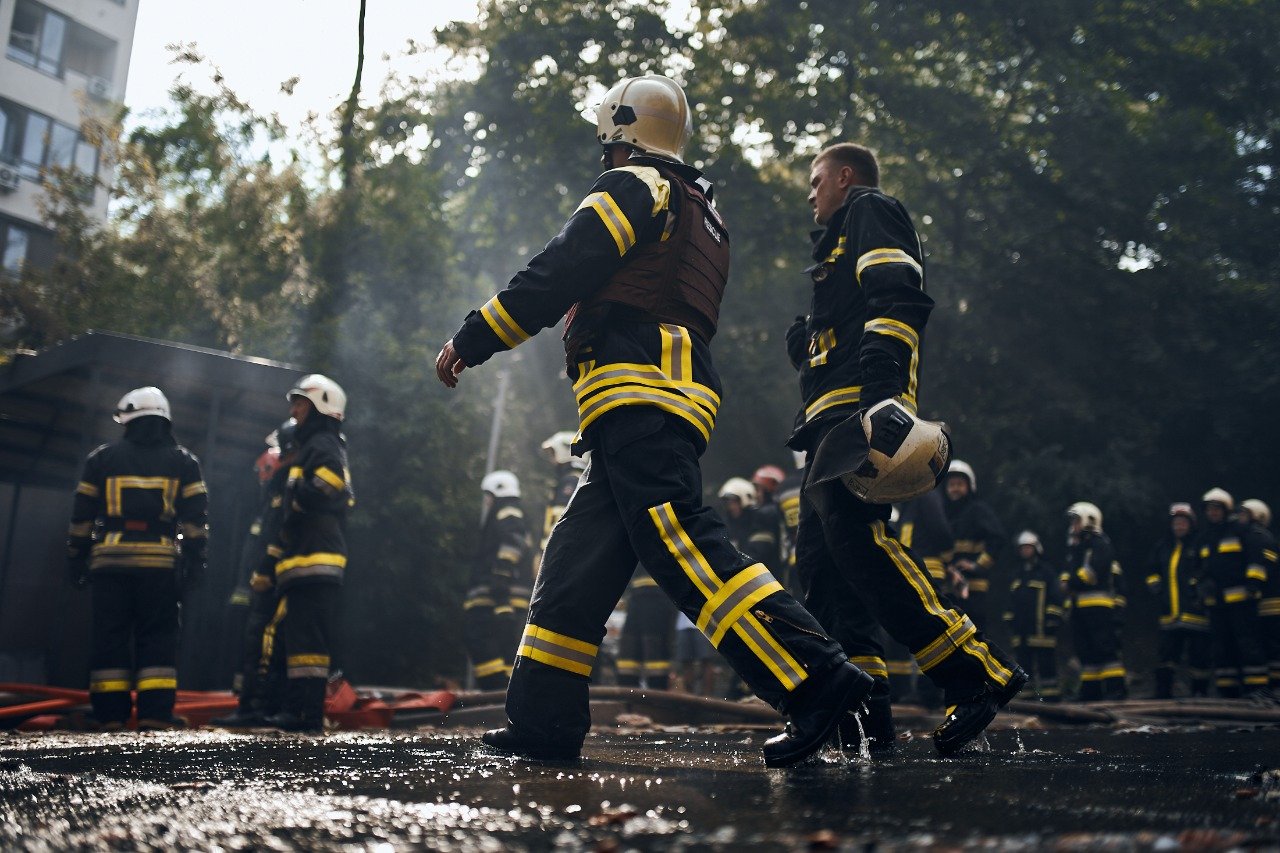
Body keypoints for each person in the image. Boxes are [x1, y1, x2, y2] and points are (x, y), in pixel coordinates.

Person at [436, 73, 874, 767]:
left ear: (623, 131)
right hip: (649, 397)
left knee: (679, 544)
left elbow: (561, 269)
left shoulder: (637, 187)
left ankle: (815, 678)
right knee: (575, 561)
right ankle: (543, 720)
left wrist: (475, 334)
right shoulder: (701, 210)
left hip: (642, 390)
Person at [783, 141, 1024, 756]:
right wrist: (808, 346)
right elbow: (853, 318)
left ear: (844, 177)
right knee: (824, 573)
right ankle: (866, 721)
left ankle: (977, 675)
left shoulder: (871, 211)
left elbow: (898, 299)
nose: (811, 192)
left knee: (859, 544)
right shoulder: (836, 240)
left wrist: (884, 395)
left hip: (856, 414)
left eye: (816, 181)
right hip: (826, 424)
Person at [66, 387, 208, 730]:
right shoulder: (184, 461)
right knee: (157, 637)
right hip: (159, 563)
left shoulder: (101, 459)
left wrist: (76, 558)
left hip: (109, 561)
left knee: (110, 636)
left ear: (127, 420)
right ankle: (154, 715)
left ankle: (110, 715)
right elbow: (195, 520)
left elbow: (81, 517)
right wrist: (195, 560)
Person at [262, 374, 353, 732]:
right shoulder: (312, 444)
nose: (293, 410)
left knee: (309, 642)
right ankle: (297, 709)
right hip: (302, 559)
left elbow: (331, 486)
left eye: (301, 403)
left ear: (321, 407)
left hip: (317, 558)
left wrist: (296, 496)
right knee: (296, 639)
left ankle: (307, 715)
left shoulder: (325, 444)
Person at [212, 419, 297, 727]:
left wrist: (263, 574)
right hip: (253, 589)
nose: (262, 477)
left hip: (271, 584)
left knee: (264, 644)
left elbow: (275, 541)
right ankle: (247, 700)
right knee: (251, 646)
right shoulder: (266, 503)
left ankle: (256, 705)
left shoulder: (281, 495)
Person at [1196, 488, 1268, 697]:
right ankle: (1227, 692)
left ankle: (1257, 690)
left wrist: (1253, 584)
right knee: (1221, 647)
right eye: (1210, 509)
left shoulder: (1241, 531)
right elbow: (1199, 569)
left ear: (1226, 510)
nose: (1213, 513)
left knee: (1248, 645)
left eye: (1217, 509)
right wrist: (1199, 588)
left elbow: (1256, 559)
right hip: (1216, 603)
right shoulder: (1205, 537)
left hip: (1241, 601)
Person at [465, 470, 532, 690]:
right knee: (504, 644)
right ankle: (502, 692)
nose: (486, 500)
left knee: (482, 638)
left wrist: (501, 578)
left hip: (497, 592)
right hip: (505, 593)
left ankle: (495, 690)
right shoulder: (511, 511)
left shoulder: (507, 510)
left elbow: (513, 542)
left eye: (488, 495)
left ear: (497, 492)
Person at [1060, 502, 1127, 700]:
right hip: (1079, 607)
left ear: (1090, 520)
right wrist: (1066, 582)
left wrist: (1070, 582)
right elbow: (1068, 571)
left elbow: (1091, 572)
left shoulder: (1100, 544)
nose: (1073, 525)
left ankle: (1116, 689)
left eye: (1077, 521)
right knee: (1085, 651)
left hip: (1099, 606)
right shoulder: (1078, 548)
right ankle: (1091, 692)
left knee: (1104, 649)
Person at [1144, 502, 1210, 698]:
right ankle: (1163, 695)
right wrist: (1156, 587)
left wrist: (1199, 589)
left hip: (1195, 613)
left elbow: (1207, 570)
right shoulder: (1163, 547)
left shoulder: (1199, 544)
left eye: (1183, 523)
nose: (1179, 526)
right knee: (1166, 657)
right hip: (1169, 615)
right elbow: (1151, 570)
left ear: (1191, 524)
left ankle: (1199, 694)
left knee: (1199, 656)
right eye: (1176, 523)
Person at [941, 460, 1005, 632]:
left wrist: (977, 565)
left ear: (970, 486)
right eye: (951, 485)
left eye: (960, 484)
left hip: (974, 585)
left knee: (974, 632)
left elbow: (997, 539)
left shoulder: (978, 510)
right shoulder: (942, 512)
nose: (955, 489)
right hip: (948, 584)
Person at [1003, 531, 1064, 701]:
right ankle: (1028, 700)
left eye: (1028, 547)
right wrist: (1009, 619)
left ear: (1036, 548)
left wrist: (1052, 619)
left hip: (1042, 629)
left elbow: (1056, 597)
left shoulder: (1046, 572)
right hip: (1022, 632)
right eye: (1022, 548)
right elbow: (1010, 600)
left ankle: (1052, 701)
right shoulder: (1017, 574)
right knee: (1024, 667)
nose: (1025, 551)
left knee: (1046, 665)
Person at [1240, 499, 1280, 690]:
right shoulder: (1256, 536)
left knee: (1272, 645)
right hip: (1265, 602)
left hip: (1271, 603)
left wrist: (1252, 585)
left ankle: (1274, 686)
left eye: (1244, 514)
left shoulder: (1259, 537)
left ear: (1258, 516)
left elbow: (1260, 567)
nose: (1240, 518)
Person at [616, 563, 677, 689]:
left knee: (655, 650)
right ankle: (627, 694)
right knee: (629, 650)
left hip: (658, 596)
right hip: (636, 597)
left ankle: (656, 698)